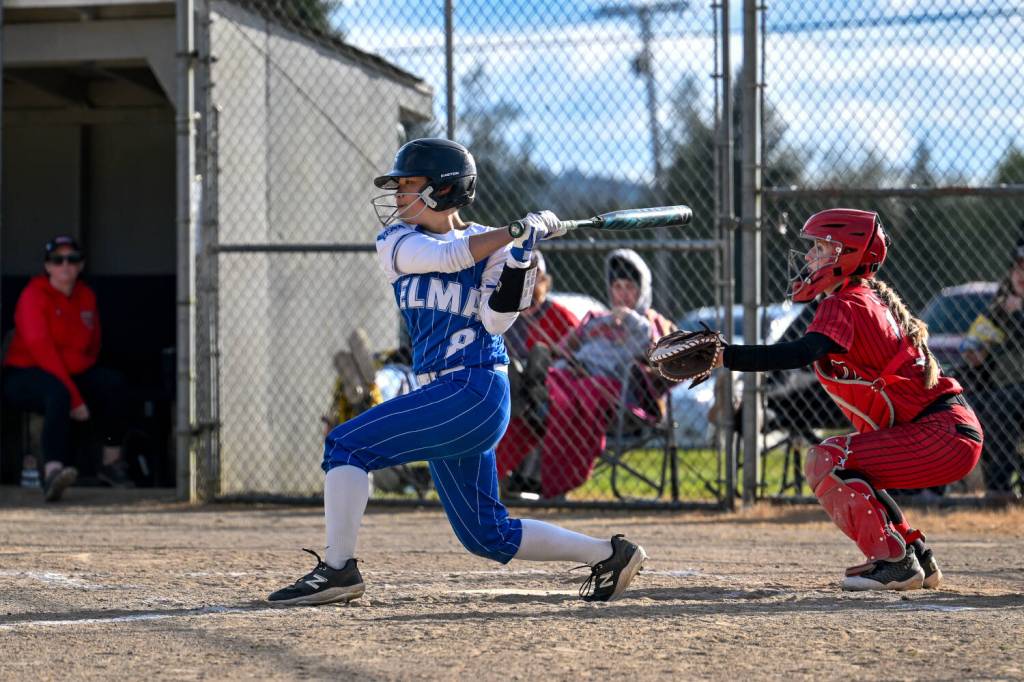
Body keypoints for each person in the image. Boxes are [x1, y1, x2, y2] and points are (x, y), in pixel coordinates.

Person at [266, 138, 647, 606]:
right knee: (486, 534)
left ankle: (338, 570)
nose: (398, 195)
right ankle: (609, 554)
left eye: (409, 185)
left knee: (346, 445)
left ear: (443, 191)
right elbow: (448, 257)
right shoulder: (397, 242)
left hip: (476, 387)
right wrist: (512, 233)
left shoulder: (496, 245)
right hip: (443, 396)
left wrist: (522, 255)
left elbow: (497, 319)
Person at [709, 208, 983, 591]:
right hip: (949, 430)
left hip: (941, 434)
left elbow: (798, 353)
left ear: (846, 255)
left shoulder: (844, 303)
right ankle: (913, 552)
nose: (808, 257)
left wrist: (727, 355)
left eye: (820, 247)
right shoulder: (866, 297)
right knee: (855, 466)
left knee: (828, 458)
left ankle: (893, 561)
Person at [497, 249, 674, 499]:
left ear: (642, 291)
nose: (622, 294)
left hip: (612, 387)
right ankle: (534, 386)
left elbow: (660, 356)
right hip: (572, 373)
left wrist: (632, 320)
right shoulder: (596, 318)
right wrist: (557, 353)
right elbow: (564, 348)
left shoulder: (649, 322)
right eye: (617, 287)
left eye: (630, 288)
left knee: (579, 392)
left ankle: (537, 395)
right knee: (555, 376)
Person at [3, 236, 134, 501]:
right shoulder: (34, 295)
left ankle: (110, 462)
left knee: (112, 385)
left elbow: (93, 345)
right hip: (26, 372)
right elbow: (42, 351)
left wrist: (83, 384)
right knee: (58, 394)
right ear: (48, 266)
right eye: (57, 260)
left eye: (72, 260)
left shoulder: (86, 296)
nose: (65, 266)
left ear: (81, 265)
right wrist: (76, 398)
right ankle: (53, 472)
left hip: (71, 372)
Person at [498, 251, 580, 493]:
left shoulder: (560, 315)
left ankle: (533, 391)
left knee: (540, 356)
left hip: (551, 391)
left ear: (544, 279)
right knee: (510, 367)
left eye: (535, 275)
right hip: (511, 392)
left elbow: (576, 355)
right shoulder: (502, 316)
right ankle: (527, 396)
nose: (529, 281)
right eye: (523, 275)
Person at [960, 235, 1024, 499]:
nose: (1021, 273)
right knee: (972, 402)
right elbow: (973, 346)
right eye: (1018, 267)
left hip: (1013, 391)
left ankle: (1000, 491)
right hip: (1001, 387)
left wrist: (1021, 311)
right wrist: (977, 351)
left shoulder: (1015, 307)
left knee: (1001, 404)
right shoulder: (1000, 306)